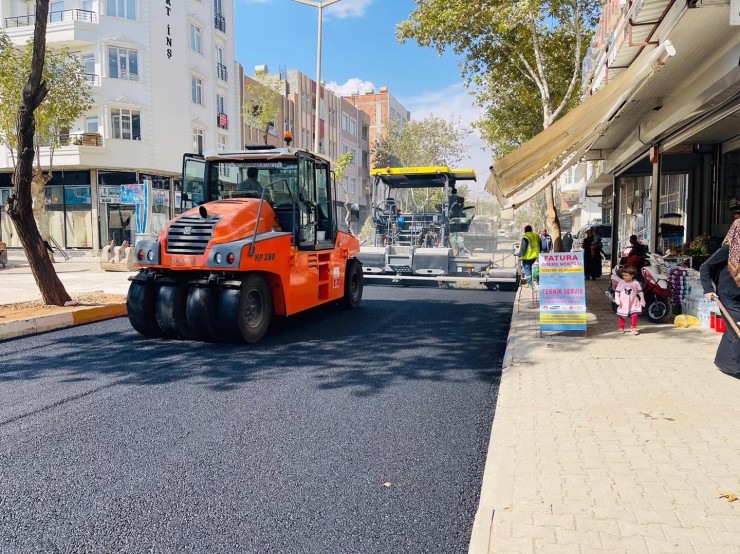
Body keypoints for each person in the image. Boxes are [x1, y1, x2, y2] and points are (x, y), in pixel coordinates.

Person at [700, 219, 740, 377]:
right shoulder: (728, 250)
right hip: (727, 295)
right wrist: (708, 289)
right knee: (737, 329)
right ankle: (734, 367)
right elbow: (705, 267)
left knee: (733, 329)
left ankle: (724, 362)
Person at [614, 266, 645, 335]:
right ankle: (621, 328)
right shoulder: (621, 282)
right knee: (622, 315)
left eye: (626, 276)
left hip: (633, 302)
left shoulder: (636, 283)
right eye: (623, 275)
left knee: (635, 314)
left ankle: (633, 328)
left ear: (632, 275)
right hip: (623, 302)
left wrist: (642, 300)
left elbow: (640, 292)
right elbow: (617, 292)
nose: (624, 277)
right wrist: (617, 299)